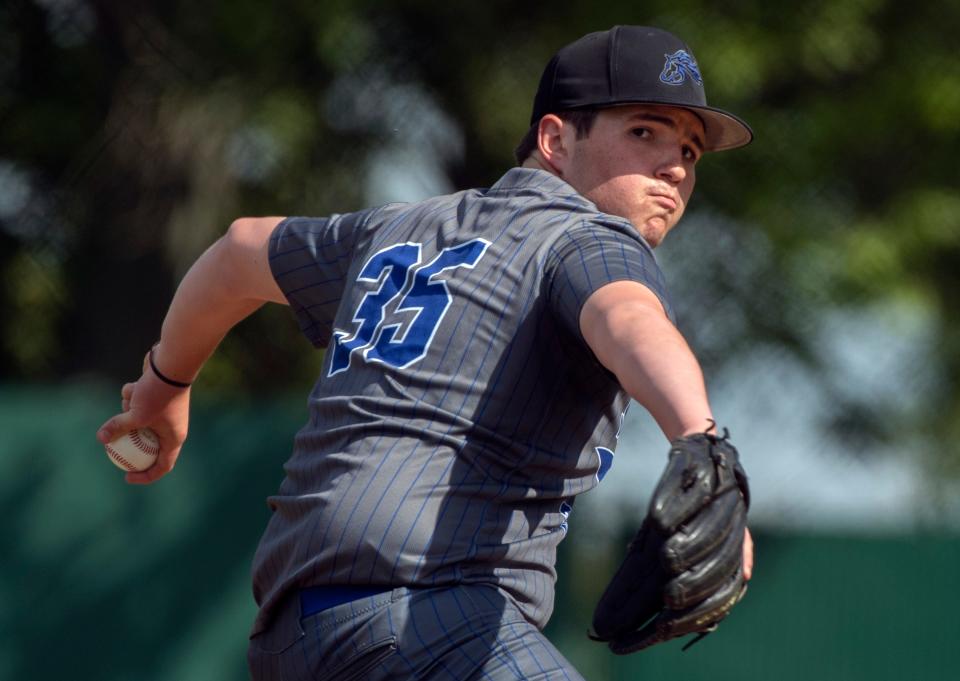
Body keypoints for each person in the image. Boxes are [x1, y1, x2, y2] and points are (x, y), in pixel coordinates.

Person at [97, 25, 754, 681]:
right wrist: (701, 444)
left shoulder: (394, 229)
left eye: (691, 151)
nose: (675, 166)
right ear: (556, 140)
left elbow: (238, 251)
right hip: (434, 620)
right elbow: (629, 317)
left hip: (291, 637)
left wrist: (164, 383)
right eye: (645, 131)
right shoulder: (587, 238)